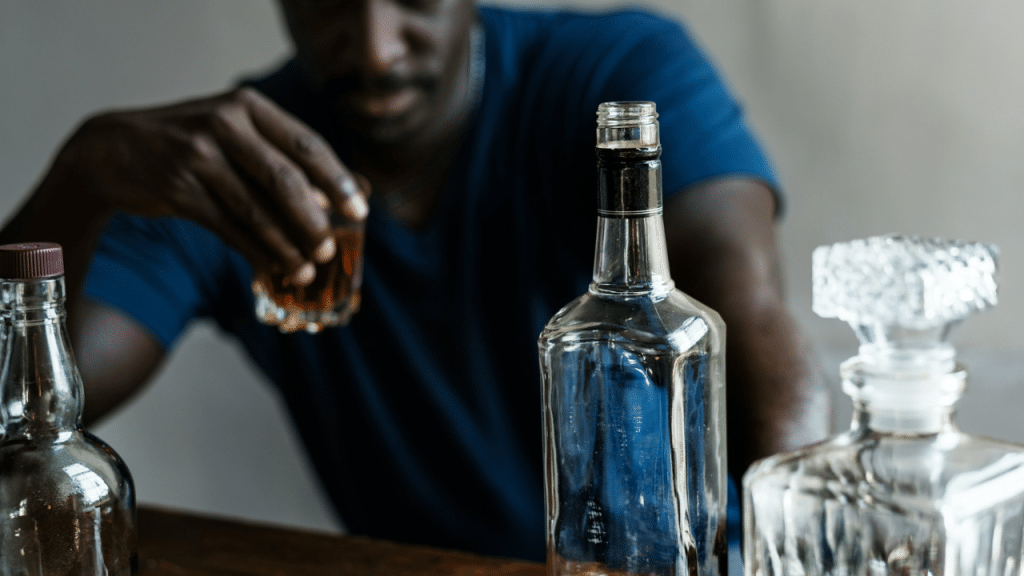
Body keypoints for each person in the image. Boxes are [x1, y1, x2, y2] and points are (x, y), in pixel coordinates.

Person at [0, 0, 829, 562]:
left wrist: (795, 555)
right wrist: (81, 178)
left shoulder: (615, 72)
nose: (374, 48)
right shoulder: (223, 168)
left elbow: (746, 324)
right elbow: (21, 415)